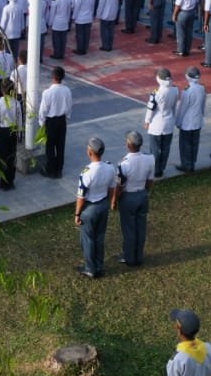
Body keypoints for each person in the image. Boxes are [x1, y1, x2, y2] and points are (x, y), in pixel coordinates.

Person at [73, 137, 113, 279]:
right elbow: (111, 188)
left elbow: (81, 196)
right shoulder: (109, 167)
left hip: (89, 208)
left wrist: (77, 214)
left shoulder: (86, 173)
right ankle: (99, 266)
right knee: (100, 237)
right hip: (103, 204)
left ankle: (90, 268)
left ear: (90, 152)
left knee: (88, 239)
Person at [114, 131, 155, 267]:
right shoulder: (150, 159)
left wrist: (114, 200)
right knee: (141, 227)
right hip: (142, 194)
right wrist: (145, 193)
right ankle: (139, 256)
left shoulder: (123, 164)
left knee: (129, 229)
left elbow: (120, 186)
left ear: (128, 144)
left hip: (128, 197)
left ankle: (129, 257)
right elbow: (150, 181)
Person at [144, 68, 178, 176]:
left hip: (156, 125)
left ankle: (155, 170)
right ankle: (161, 169)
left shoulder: (156, 93)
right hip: (169, 123)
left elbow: (151, 109)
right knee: (165, 149)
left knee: (154, 149)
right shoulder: (175, 90)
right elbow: (173, 107)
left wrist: (147, 121)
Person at [38, 65, 71, 178]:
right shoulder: (67, 90)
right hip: (62, 120)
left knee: (50, 146)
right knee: (60, 146)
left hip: (51, 121)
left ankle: (50, 170)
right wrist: (67, 118)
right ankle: (59, 169)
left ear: (53, 77)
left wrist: (42, 122)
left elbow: (43, 110)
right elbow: (69, 106)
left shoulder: (47, 93)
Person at [0, 79, 21, 191]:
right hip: (13, 131)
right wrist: (19, 133)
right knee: (11, 156)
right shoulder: (16, 103)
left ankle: (4, 182)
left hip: (2, 133)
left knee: (2, 158)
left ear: (2, 90)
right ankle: (10, 180)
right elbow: (19, 119)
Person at [175, 67, 205, 172]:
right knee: (194, 144)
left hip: (187, 123)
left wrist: (178, 122)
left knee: (185, 145)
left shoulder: (187, 90)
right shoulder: (201, 88)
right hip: (197, 121)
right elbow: (202, 105)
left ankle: (186, 165)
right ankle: (192, 162)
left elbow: (182, 108)